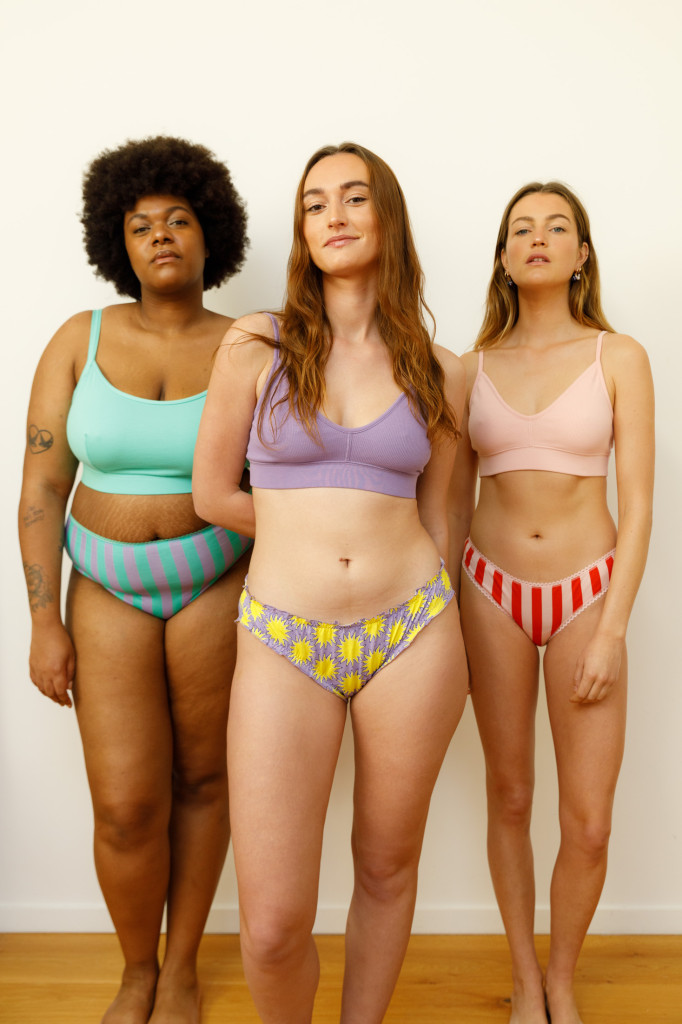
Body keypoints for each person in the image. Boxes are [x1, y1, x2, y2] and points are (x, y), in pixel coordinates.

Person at [193, 141, 469, 1024]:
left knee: (386, 867)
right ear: (302, 231)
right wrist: (301, 532)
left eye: (354, 197)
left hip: (413, 633)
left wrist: (432, 600)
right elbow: (211, 493)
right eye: (315, 203)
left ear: (388, 216)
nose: (334, 215)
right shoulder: (255, 343)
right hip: (284, 632)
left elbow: (444, 517)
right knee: (274, 923)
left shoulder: (438, 367)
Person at [18, 136, 250, 1024]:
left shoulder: (248, 344)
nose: (161, 236)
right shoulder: (77, 340)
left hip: (216, 582)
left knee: (204, 781)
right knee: (124, 805)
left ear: (210, 233)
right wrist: (43, 621)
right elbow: (41, 489)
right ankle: (136, 970)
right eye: (141, 223)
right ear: (116, 242)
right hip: (104, 590)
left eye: (179, 219)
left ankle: (182, 966)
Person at [448, 182, 654, 1024]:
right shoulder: (470, 368)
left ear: (581, 255)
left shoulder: (619, 356)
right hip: (488, 590)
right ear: (503, 258)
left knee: (589, 821)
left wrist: (612, 631)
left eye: (557, 226)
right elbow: (448, 504)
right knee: (510, 796)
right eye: (521, 228)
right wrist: (441, 617)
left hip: (587, 595)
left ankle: (562, 977)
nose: (538, 237)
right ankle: (525, 977)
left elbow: (640, 505)